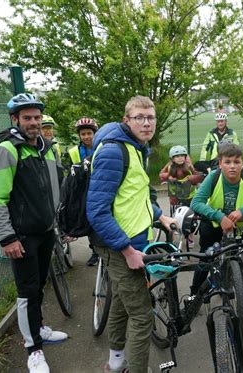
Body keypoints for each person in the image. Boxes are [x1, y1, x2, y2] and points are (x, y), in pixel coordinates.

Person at [86, 96, 175, 373]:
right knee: (141, 315)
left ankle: (115, 363)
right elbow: (97, 210)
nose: (146, 123)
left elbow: (137, 192)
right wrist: (127, 250)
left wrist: (160, 215)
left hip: (133, 241)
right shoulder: (115, 151)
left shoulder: (137, 147)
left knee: (123, 306)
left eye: (151, 117)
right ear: (127, 120)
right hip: (121, 247)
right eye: (140, 117)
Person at [0, 93, 68, 373]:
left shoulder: (45, 147)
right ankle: (33, 349)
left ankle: (39, 328)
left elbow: (54, 188)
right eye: (27, 118)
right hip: (21, 237)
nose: (33, 123)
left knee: (39, 284)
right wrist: (7, 237)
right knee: (26, 292)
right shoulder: (6, 150)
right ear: (15, 119)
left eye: (36, 117)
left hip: (45, 231)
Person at [190, 143, 243, 318]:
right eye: (227, 162)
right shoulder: (213, 177)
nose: (233, 166)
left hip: (239, 229)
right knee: (205, 261)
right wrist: (220, 217)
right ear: (220, 163)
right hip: (213, 227)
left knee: (238, 264)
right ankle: (193, 297)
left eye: (237, 161)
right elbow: (196, 202)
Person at [68, 117, 100, 266]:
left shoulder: (102, 147)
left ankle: (103, 250)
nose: (86, 137)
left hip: (100, 187)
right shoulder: (74, 152)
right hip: (84, 190)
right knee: (89, 221)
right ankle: (94, 251)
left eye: (89, 133)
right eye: (83, 134)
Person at [159, 145, 204, 247]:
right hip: (176, 196)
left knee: (191, 217)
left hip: (190, 196)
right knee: (176, 217)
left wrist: (193, 178)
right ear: (172, 158)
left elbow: (197, 175)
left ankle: (190, 237)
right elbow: (161, 175)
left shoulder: (188, 166)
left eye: (182, 156)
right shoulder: (169, 166)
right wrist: (168, 177)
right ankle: (175, 236)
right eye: (177, 156)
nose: (180, 158)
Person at [41, 115, 63, 186]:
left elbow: (59, 170)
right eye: (44, 128)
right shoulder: (36, 147)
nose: (48, 131)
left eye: (50, 128)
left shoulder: (54, 147)